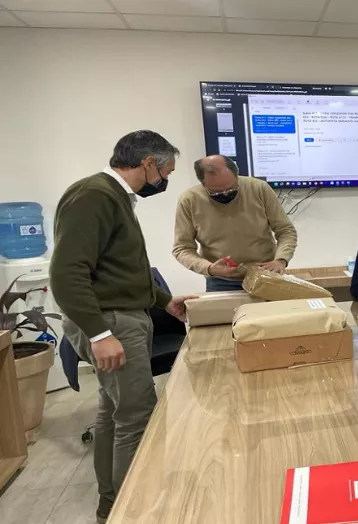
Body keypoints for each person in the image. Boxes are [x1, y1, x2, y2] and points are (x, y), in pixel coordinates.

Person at [50, 130, 195, 524]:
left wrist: (165, 301)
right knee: (137, 418)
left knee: (112, 413)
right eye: (166, 171)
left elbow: (123, 269)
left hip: (124, 316)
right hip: (111, 321)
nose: (165, 180)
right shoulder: (94, 195)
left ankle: (111, 505)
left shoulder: (115, 197)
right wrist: (100, 334)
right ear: (148, 163)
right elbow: (66, 273)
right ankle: (137, 510)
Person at [173, 155, 298, 292]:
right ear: (203, 184)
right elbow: (182, 248)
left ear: (237, 176)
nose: (225, 194)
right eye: (216, 191)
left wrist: (281, 260)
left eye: (231, 188)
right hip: (220, 281)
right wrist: (208, 268)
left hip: (265, 275)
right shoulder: (190, 200)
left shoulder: (259, 188)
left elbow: (285, 230)